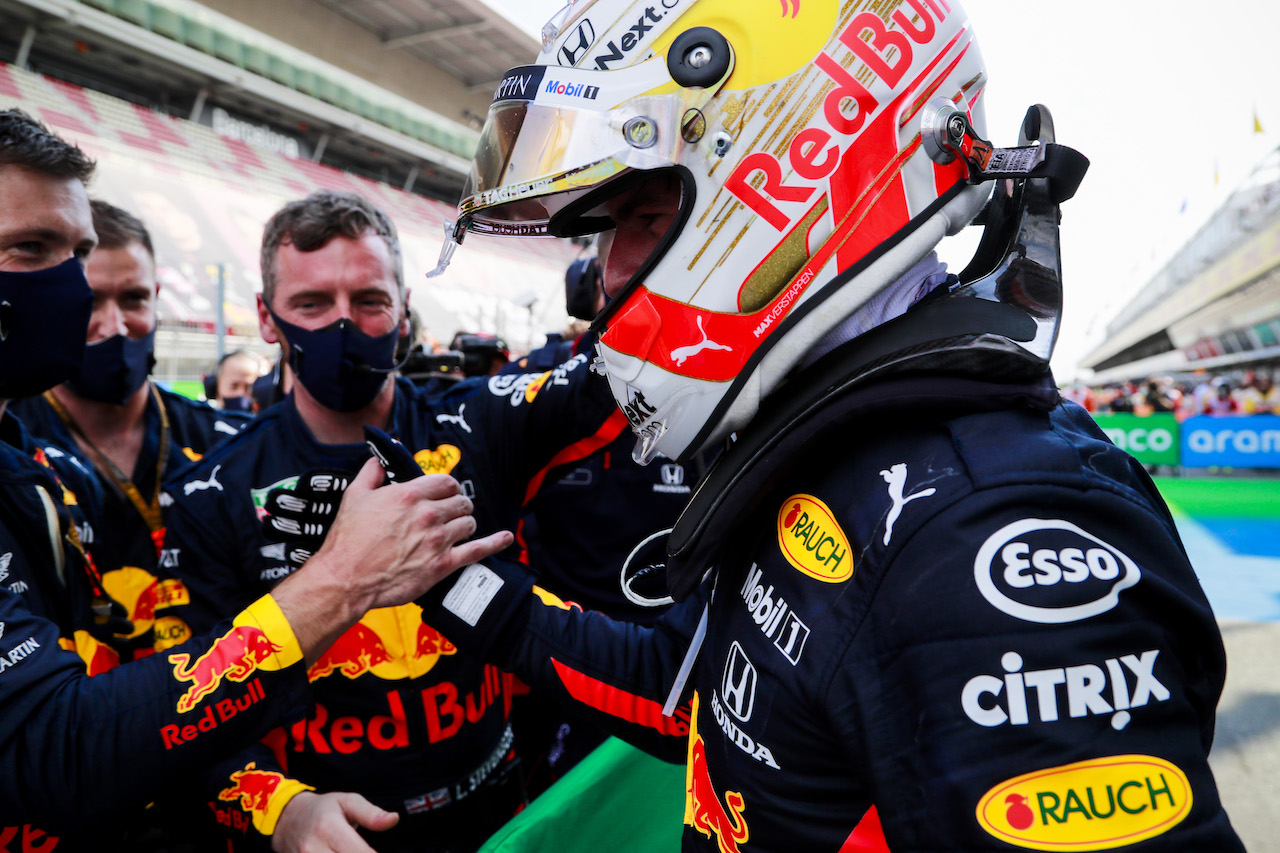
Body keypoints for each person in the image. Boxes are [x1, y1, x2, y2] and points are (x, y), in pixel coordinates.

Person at [408, 2, 1243, 849]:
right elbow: (708, 703)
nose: (607, 271)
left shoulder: (983, 529)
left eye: (644, 219)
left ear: (787, 179)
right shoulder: (825, 444)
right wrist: (452, 585)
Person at [0, 107, 509, 847]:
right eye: (30, 248)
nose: (80, 297)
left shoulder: (33, 456)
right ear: (270, 318)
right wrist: (339, 581)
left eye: (76, 253)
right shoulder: (203, 476)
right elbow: (53, 749)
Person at [159, 190, 624, 853]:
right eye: (312, 304)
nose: (342, 325)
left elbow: (622, 372)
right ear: (267, 318)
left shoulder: (483, 419)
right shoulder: (211, 490)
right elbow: (183, 708)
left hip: (502, 814)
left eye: (369, 301)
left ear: (404, 311)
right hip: (340, 833)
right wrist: (282, 811)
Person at [10, 200, 252, 659]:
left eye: (134, 298)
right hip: (78, 715)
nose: (116, 326)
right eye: (93, 300)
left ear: (157, 297)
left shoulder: (230, 440)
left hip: (221, 704)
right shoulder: (12, 448)